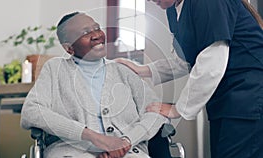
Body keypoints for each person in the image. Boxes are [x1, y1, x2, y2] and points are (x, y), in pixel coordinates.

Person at [116, 0, 263, 158]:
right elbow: (186, 60)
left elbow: (212, 61)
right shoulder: (174, 10)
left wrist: (178, 109)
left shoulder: (207, 3)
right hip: (227, 102)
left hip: (248, 96)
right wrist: (142, 70)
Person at [20, 12, 169, 158]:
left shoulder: (123, 71)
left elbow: (157, 112)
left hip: (127, 152)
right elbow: (32, 111)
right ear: (69, 48)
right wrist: (93, 137)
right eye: (85, 32)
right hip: (71, 151)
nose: (96, 35)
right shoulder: (55, 69)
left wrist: (127, 141)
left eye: (97, 28)